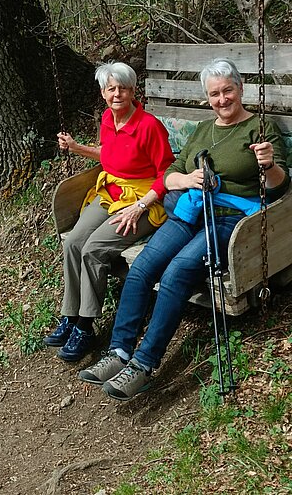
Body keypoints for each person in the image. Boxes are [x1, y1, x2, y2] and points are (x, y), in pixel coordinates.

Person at [79, 57, 290, 400]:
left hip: (228, 221)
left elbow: (279, 188)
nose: (222, 100)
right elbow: (169, 172)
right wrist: (187, 177)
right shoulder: (204, 130)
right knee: (142, 269)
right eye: (215, 94)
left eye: (228, 91)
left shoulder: (260, 129)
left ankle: (143, 365)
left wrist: (267, 165)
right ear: (207, 98)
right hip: (189, 213)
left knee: (177, 272)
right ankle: (118, 352)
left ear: (240, 89)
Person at [43, 61, 175, 362]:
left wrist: (141, 206)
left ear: (132, 91)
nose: (117, 94)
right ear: (103, 93)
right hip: (111, 191)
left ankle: (86, 326)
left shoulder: (148, 126)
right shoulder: (107, 119)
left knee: (94, 249)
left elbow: (167, 173)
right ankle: (70, 315)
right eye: (111, 89)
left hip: (143, 200)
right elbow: (109, 154)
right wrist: (77, 148)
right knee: (74, 241)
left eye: (123, 88)